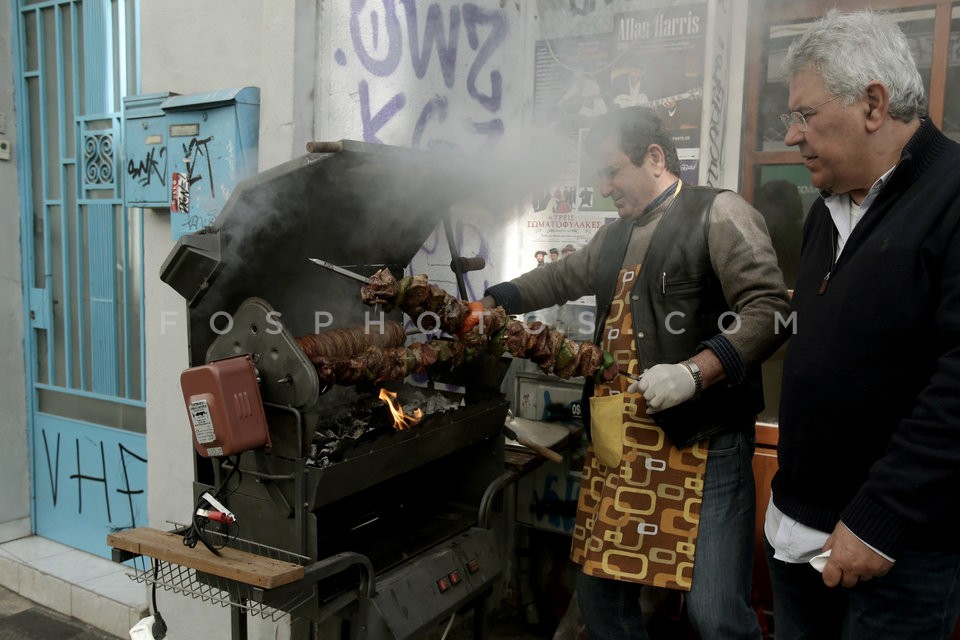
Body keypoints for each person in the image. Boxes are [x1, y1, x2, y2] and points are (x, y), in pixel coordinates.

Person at [481, 106, 789, 640]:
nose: (604, 189)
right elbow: (558, 277)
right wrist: (497, 299)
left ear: (654, 157)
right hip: (622, 446)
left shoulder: (719, 213)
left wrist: (694, 373)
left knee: (715, 614)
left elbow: (770, 311)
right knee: (601, 598)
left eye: (611, 172)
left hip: (703, 441)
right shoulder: (614, 236)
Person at [766, 10, 960, 640]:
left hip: (893, 553)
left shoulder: (952, 196)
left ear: (874, 103)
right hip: (799, 536)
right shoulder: (825, 209)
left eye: (804, 114)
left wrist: (880, 518)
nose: (792, 136)